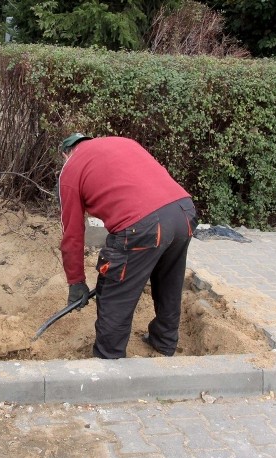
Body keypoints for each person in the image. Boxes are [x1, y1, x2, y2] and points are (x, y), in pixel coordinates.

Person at [58, 133, 197, 359]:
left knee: (115, 292)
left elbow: (72, 234)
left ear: (66, 153)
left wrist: (76, 282)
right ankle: (164, 342)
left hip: (143, 225)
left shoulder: (71, 167)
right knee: (169, 283)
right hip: (183, 212)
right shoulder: (124, 142)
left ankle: (108, 358)